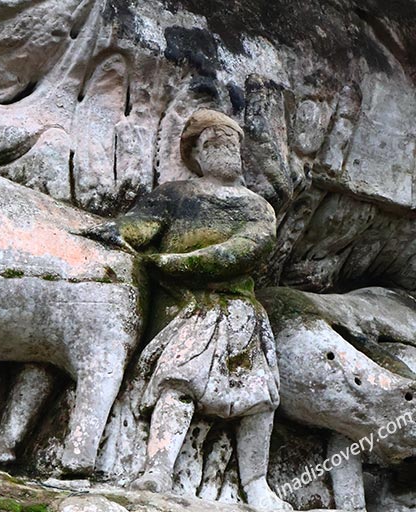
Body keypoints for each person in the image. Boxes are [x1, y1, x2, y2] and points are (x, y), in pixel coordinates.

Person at [82, 109, 290, 510]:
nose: (225, 150)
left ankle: (258, 482)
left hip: (239, 310)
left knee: (261, 397)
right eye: (214, 143)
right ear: (195, 152)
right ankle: (157, 468)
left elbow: (247, 249)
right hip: (184, 307)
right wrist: (117, 232)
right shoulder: (175, 195)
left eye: (231, 143)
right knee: (178, 381)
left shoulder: (257, 207)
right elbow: (140, 226)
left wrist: (178, 263)